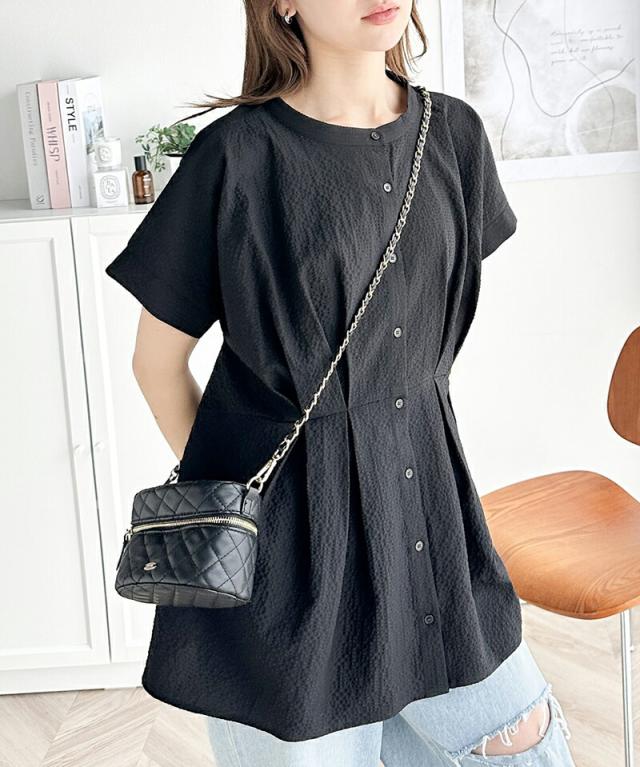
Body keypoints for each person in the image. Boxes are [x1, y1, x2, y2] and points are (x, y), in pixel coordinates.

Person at [105, 1, 577, 765]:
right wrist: (246, 505)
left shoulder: (453, 135)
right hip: (292, 556)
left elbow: (413, 345)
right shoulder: (236, 156)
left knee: (523, 742)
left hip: (429, 524)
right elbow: (155, 364)